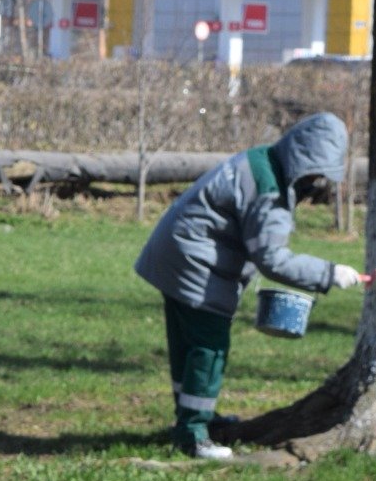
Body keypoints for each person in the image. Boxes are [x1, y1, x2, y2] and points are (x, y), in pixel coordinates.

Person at [134, 111, 363, 460]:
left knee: (188, 346)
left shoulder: (262, 159)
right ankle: (195, 435)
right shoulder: (268, 188)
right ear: (303, 160)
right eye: (315, 174)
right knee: (209, 349)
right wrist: (330, 273)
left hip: (174, 252)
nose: (316, 182)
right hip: (197, 263)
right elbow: (273, 259)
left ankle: (193, 420)